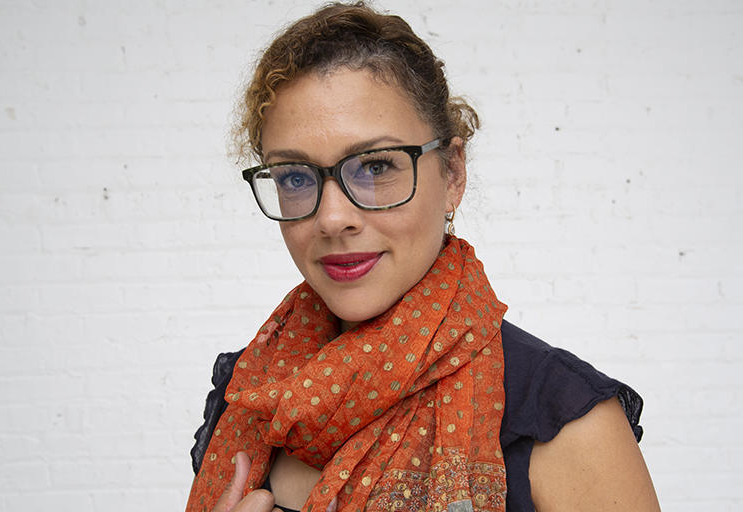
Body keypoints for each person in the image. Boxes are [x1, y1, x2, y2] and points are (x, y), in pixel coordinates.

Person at [186, 2, 660, 511]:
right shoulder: (251, 394)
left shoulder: (562, 422)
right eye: (295, 177)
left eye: (375, 165)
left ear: (452, 173)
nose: (331, 219)